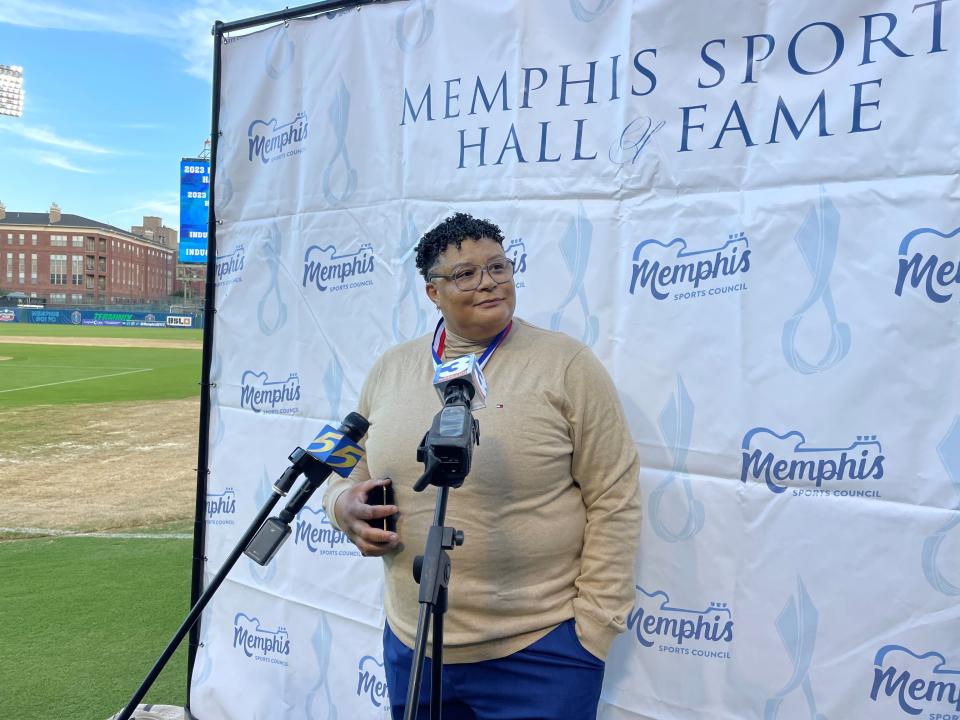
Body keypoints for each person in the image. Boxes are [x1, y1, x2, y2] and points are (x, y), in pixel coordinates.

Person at [322, 212, 641, 720]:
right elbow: (345, 465)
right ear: (432, 292)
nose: (489, 282)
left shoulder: (567, 365)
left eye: (499, 266)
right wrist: (341, 505)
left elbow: (615, 497)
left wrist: (593, 629)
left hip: (541, 653)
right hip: (414, 643)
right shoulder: (390, 368)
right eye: (466, 274)